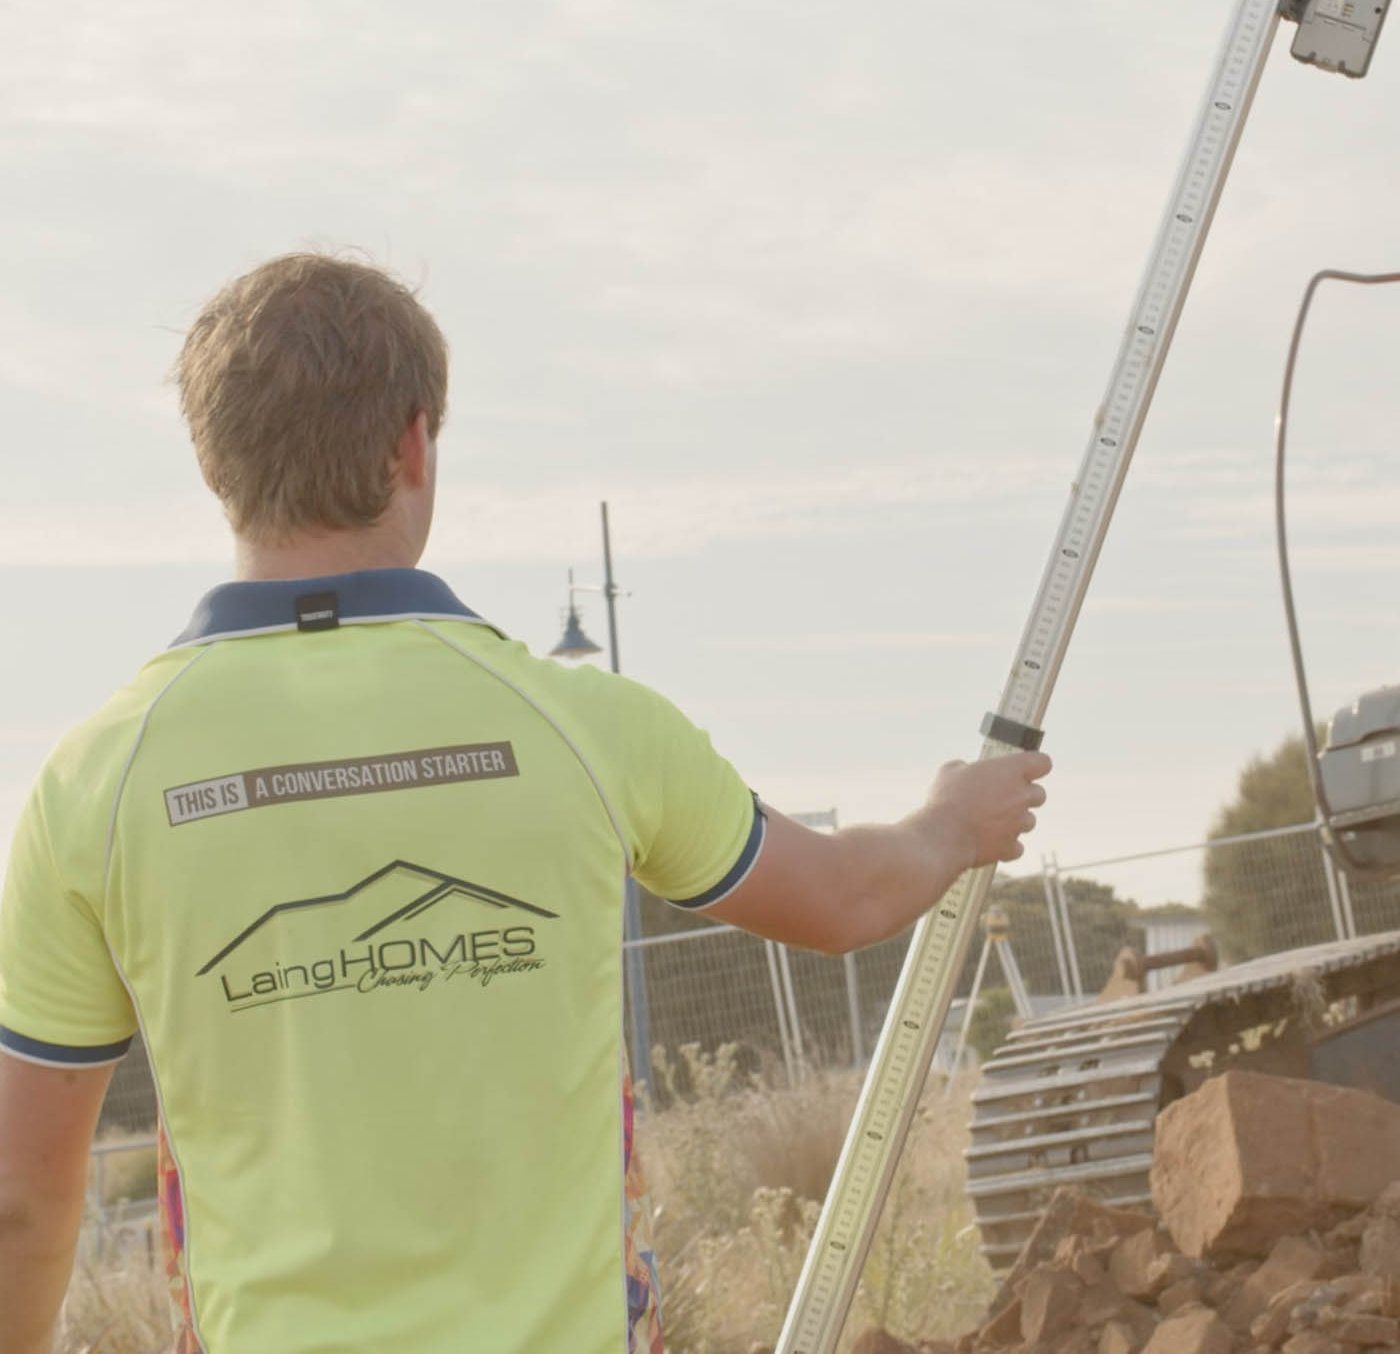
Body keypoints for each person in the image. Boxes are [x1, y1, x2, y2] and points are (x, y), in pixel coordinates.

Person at [0, 253, 1050, 1354]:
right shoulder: (582, 726)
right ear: (415, 443)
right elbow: (842, 899)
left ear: (213, 462)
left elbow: (23, 1200)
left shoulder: (96, 784)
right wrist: (952, 821)